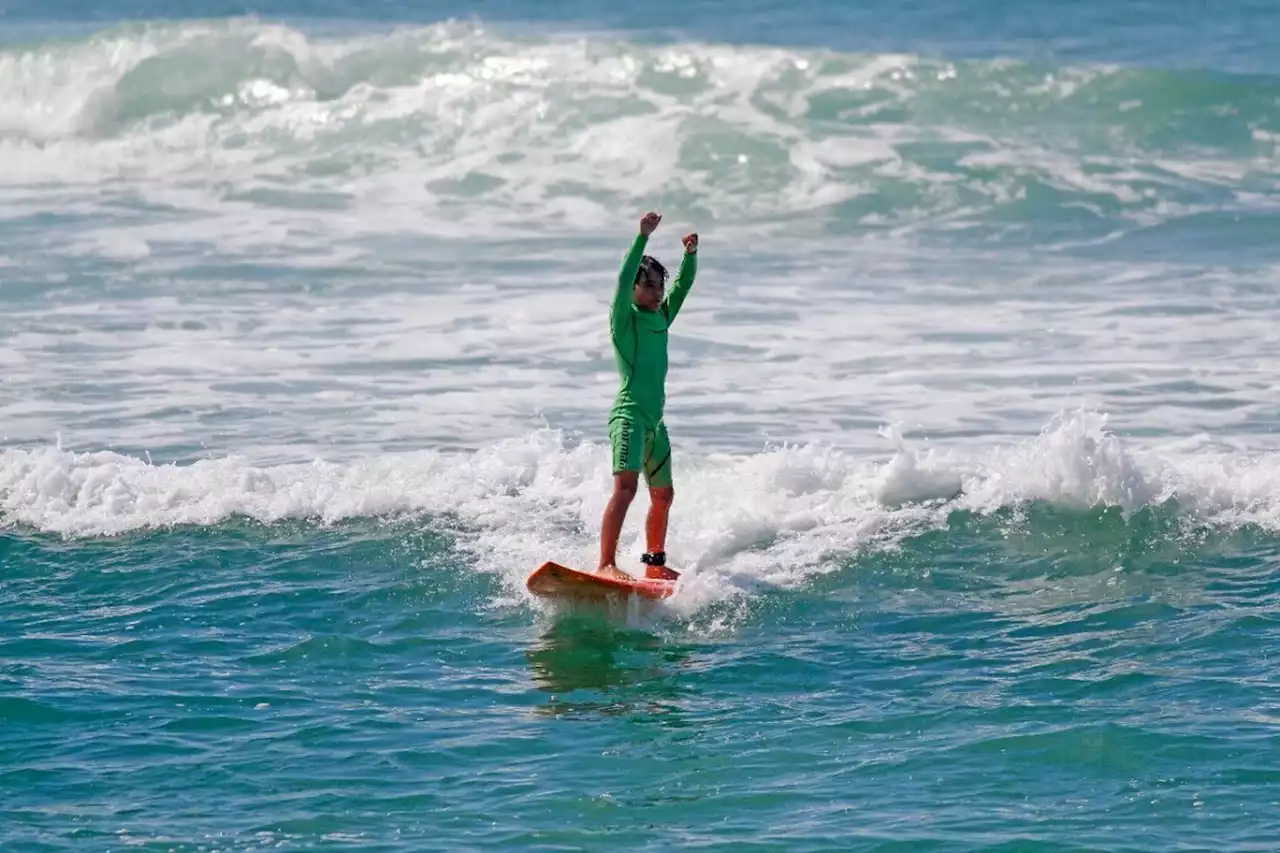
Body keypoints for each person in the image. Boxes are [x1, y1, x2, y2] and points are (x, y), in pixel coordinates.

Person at [597, 211, 698, 581]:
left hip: (655, 422)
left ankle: (654, 567)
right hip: (628, 417)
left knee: (664, 495)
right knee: (625, 490)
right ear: (636, 291)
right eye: (650, 286)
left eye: (659, 286)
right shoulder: (624, 319)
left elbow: (682, 288)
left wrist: (690, 256)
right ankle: (606, 563)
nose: (657, 293)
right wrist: (642, 236)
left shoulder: (661, 317)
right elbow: (623, 279)